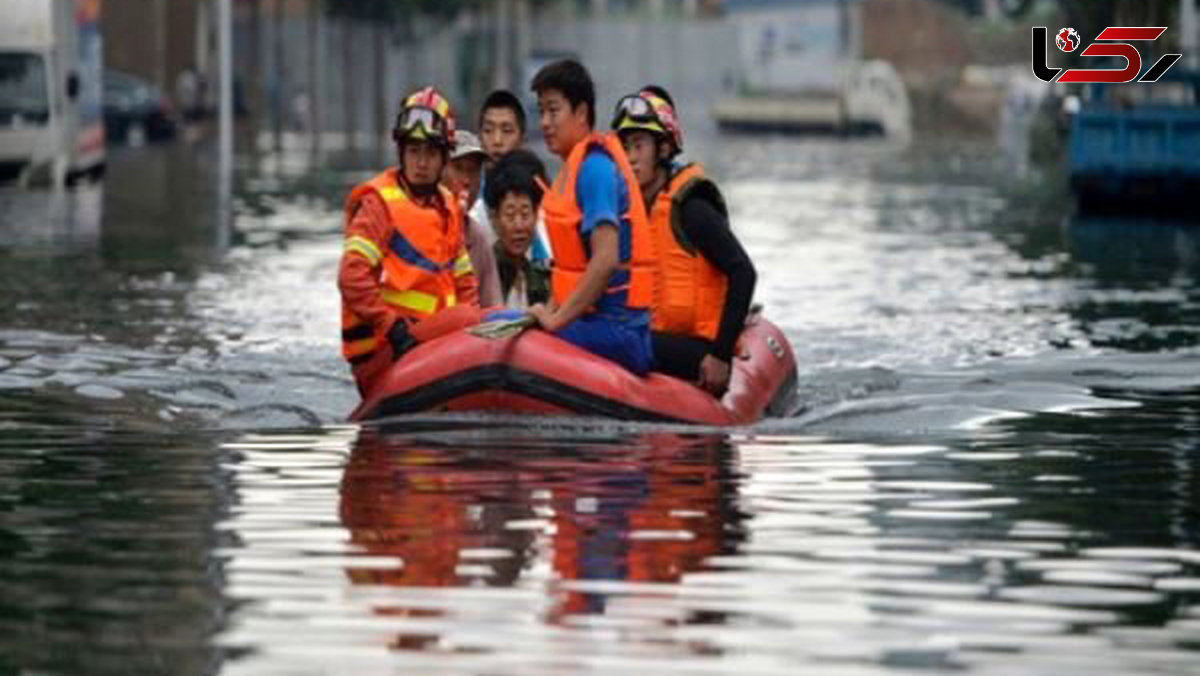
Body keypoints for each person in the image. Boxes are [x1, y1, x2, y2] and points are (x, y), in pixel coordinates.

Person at [612, 86, 757, 395]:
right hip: (654, 336)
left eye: (639, 146)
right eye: (624, 148)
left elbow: (743, 272)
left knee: (620, 340)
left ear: (663, 150)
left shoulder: (692, 208)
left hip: (699, 347)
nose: (630, 158)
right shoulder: (628, 212)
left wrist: (720, 355)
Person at [338, 86, 481, 394]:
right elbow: (351, 276)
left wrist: (476, 343)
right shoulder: (379, 206)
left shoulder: (448, 205)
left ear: (444, 157)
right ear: (401, 152)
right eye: (413, 151)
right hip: (386, 348)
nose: (421, 162)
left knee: (490, 317)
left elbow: (464, 281)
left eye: (430, 152)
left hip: (429, 340)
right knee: (470, 318)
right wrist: (392, 327)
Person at [528, 59, 655, 376]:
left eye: (553, 110)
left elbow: (605, 260)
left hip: (619, 332)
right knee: (503, 321)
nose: (544, 122)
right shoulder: (573, 167)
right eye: (541, 111)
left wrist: (555, 321)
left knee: (501, 328)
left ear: (581, 113)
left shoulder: (594, 169)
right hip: (598, 323)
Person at [475, 89, 552, 261]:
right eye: (488, 130)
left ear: (522, 139)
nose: (497, 140)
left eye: (507, 131)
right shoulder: (470, 199)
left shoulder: (542, 194)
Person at [484, 149, 551, 309]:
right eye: (510, 215)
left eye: (525, 214)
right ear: (494, 219)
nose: (519, 226)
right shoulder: (486, 271)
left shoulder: (540, 275)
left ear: (536, 215)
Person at [443, 129, 502, 306]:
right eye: (458, 169)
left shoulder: (476, 237)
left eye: (473, 171)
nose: (467, 180)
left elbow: (492, 308)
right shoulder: (416, 222)